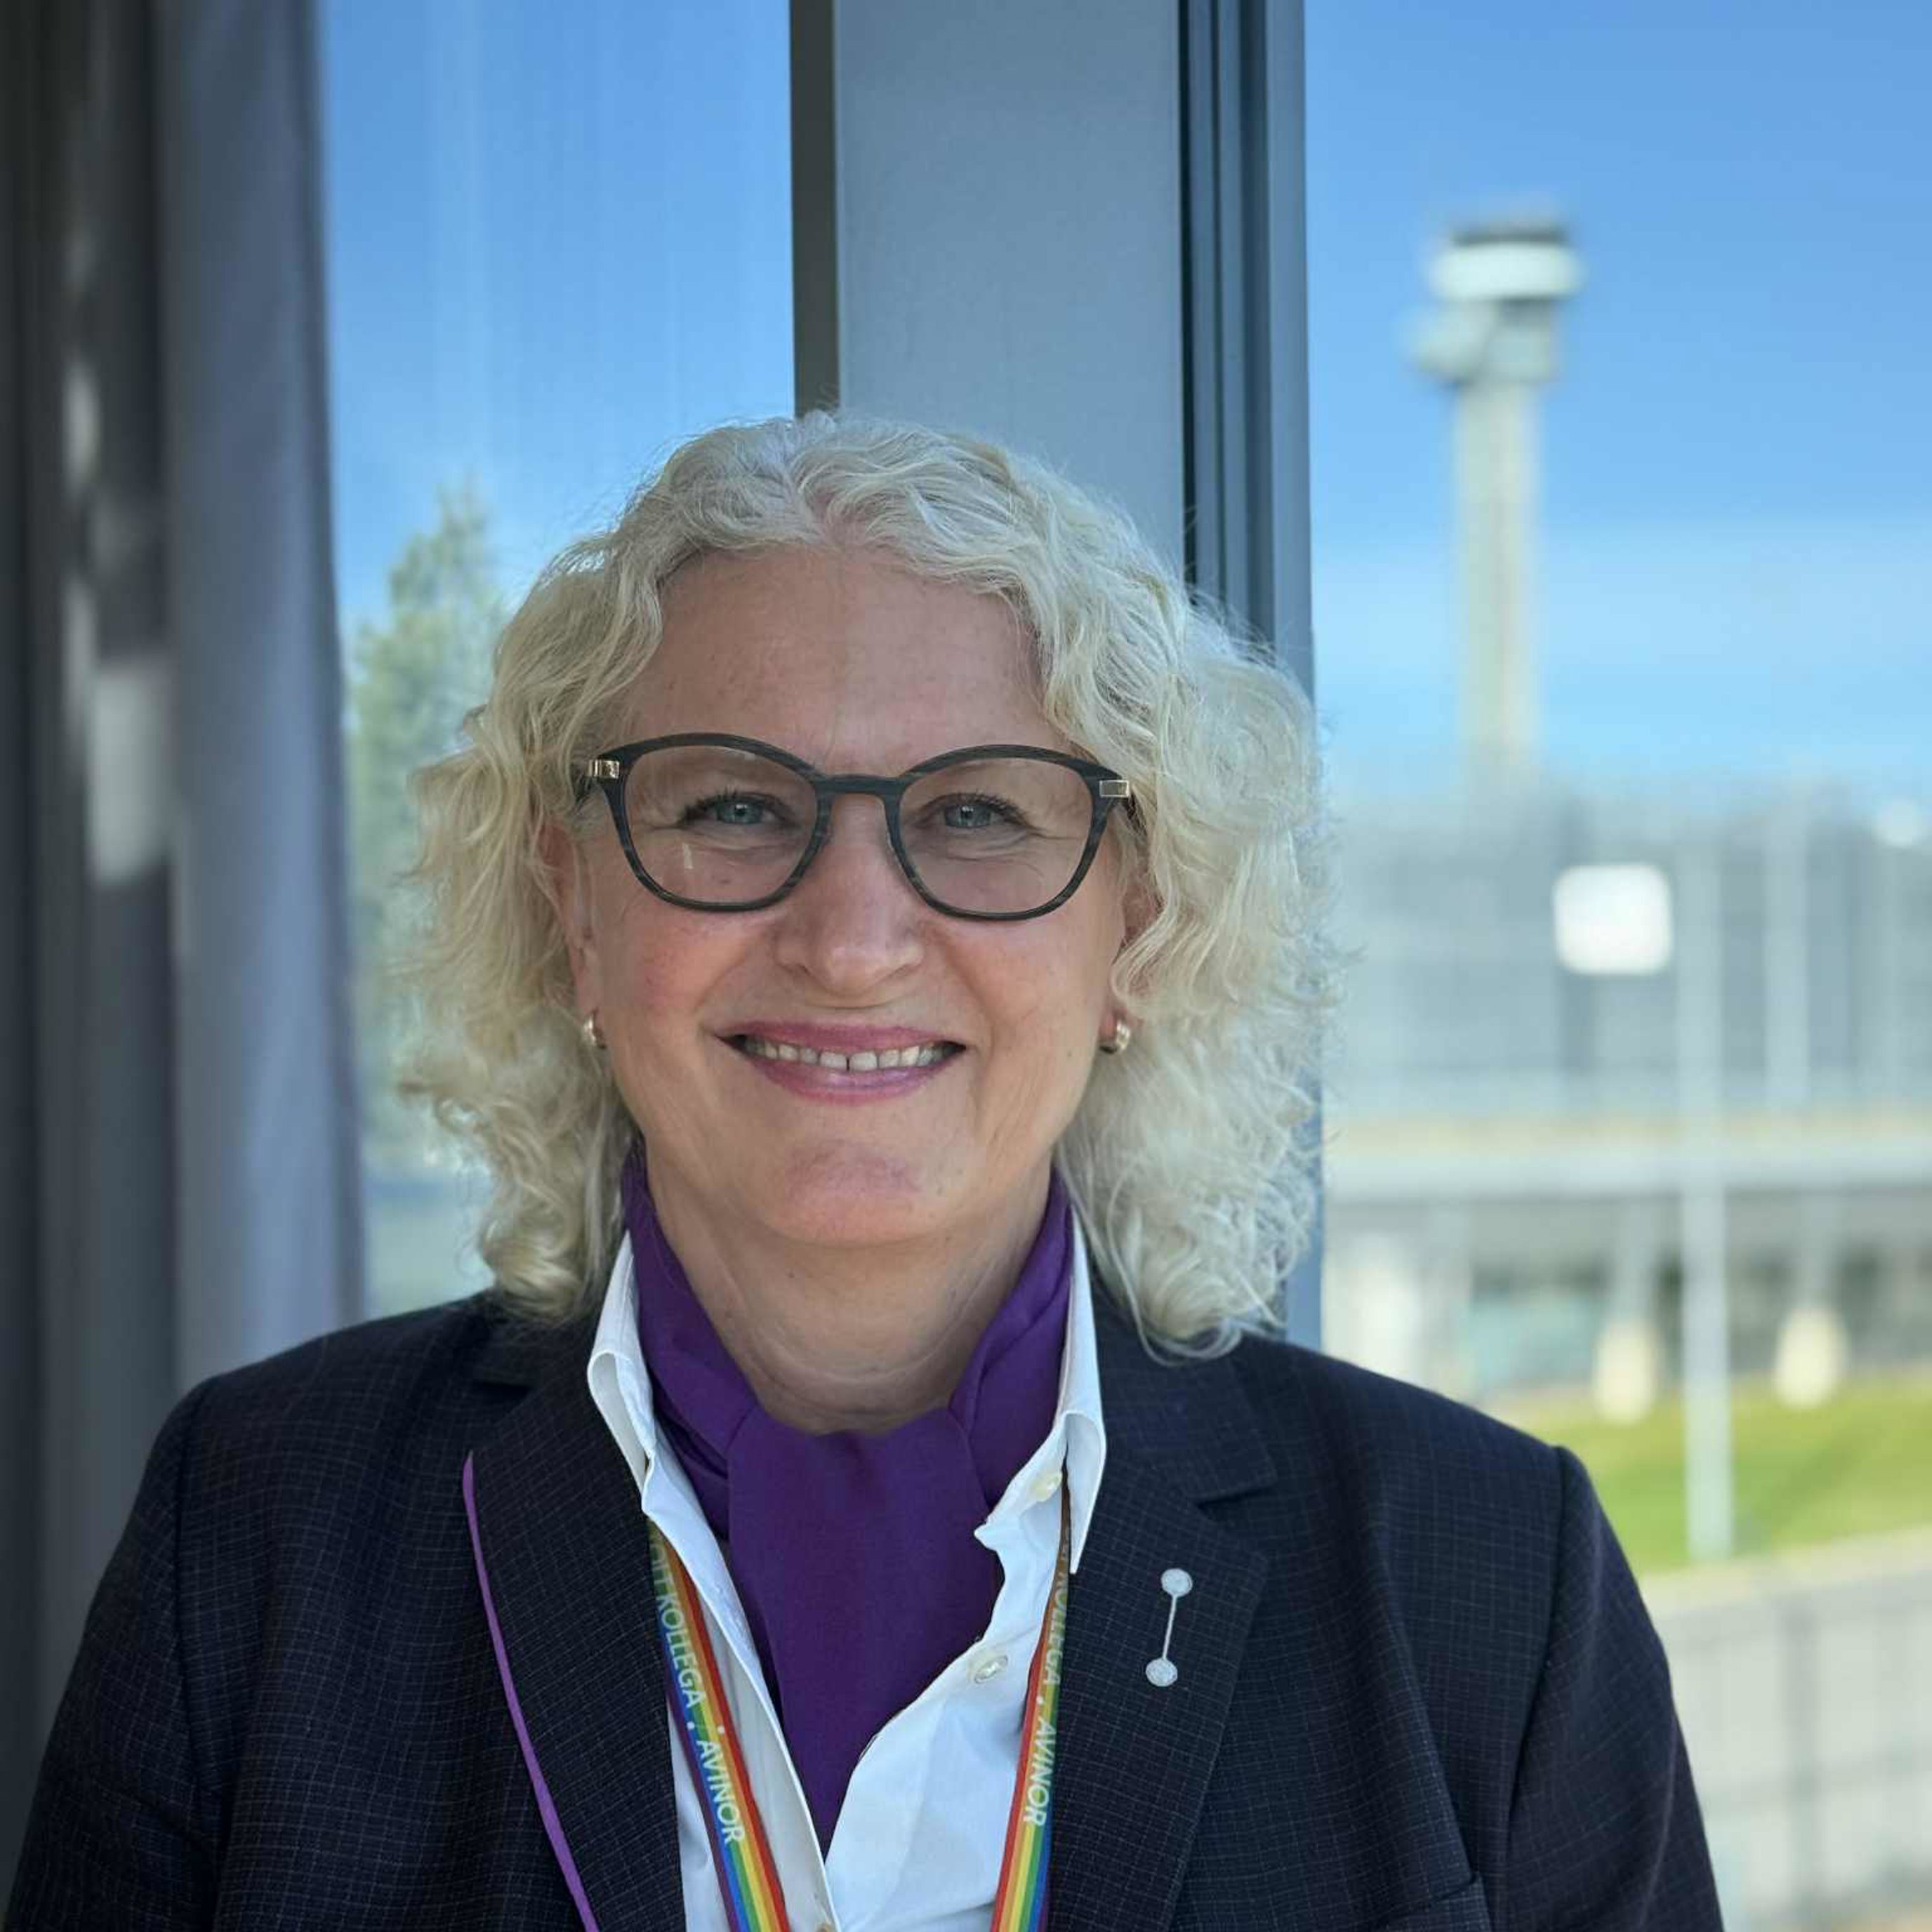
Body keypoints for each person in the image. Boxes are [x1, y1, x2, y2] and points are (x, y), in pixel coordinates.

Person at [9, 415, 1721, 1931]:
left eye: (976, 813)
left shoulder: (1488, 1575)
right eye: (731, 807)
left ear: (1136, 929)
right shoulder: (256, 1529)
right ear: (574, 911)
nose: (848, 939)